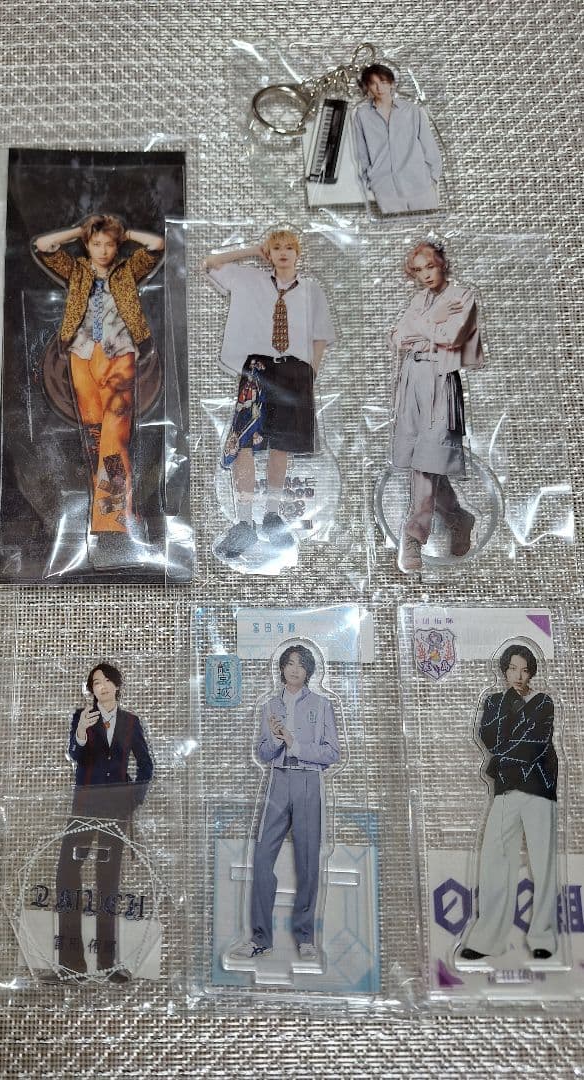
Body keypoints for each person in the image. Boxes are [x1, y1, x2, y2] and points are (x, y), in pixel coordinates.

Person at [202, 230, 335, 557]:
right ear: (269, 252)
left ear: (298, 253)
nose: (283, 253)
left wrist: (310, 373)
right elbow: (211, 263)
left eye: (289, 247)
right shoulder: (251, 280)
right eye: (276, 248)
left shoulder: (311, 290)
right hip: (258, 368)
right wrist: (252, 250)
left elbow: (320, 335)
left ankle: (272, 516)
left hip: (294, 372)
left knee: (282, 444)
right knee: (242, 441)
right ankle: (244, 521)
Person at [32, 215, 164, 542]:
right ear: (87, 245)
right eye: (96, 243)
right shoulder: (76, 270)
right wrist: (78, 231)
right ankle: (107, 510)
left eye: (109, 244)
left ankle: (113, 516)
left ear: (117, 246)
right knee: (93, 434)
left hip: (119, 352)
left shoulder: (127, 270)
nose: (103, 250)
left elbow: (157, 245)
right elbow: (43, 247)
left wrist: (126, 232)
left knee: (115, 430)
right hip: (82, 353)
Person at [232, 645, 340, 961]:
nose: (294, 669)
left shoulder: (321, 704)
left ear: (309, 671)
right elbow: (263, 752)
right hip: (277, 780)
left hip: (308, 781)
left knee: (307, 860)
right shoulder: (270, 705)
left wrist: (296, 744)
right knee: (262, 857)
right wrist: (277, 741)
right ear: (281, 668)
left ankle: (305, 937)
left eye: (301, 665)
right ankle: (260, 938)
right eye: (289, 663)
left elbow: (332, 753)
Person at [459, 644, 558, 963]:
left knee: (543, 861)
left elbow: (536, 742)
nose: (518, 675)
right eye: (513, 668)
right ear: (504, 669)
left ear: (532, 672)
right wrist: (508, 743)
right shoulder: (494, 702)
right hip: (506, 788)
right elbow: (489, 737)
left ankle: (543, 936)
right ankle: (487, 938)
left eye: (524, 670)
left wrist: (500, 758)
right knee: (494, 858)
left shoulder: (543, 701)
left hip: (539, 786)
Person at [389, 241, 484, 572]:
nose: (425, 275)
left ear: (442, 264)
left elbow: (452, 337)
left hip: (439, 379)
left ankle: (414, 535)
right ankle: (458, 518)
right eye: (418, 270)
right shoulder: (419, 300)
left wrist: (421, 327)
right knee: (423, 459)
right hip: (411, 377)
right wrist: (431, 322)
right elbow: (397, 337)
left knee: (428, 461)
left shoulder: (461, 296)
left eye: (429, 266)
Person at [55, 663, 153, 979]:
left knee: (108, 880)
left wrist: (133, 798)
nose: (103, 686)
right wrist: (81, 733)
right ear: (91, 689)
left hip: (116, 810)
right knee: (67, 873)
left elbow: (146, 764)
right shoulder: (81, 717)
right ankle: (71, 963)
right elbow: (74, 754)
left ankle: (108, 964)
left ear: (117, 685)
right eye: (96, 682)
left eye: (108, 680)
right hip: (84, 806)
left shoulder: (131, 722)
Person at [353, 63, 442, 215]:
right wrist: (370, 181)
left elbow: (429, 146)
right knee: (397, 227)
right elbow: (361, 152)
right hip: (385, 189)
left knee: (429, 224)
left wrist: (433, 177)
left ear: (392, 83)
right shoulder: (362, 115)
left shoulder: (412, 110)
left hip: (420, 184)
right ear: (368, 87)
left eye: (383, 82)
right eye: (373, 84)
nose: (379, 88)